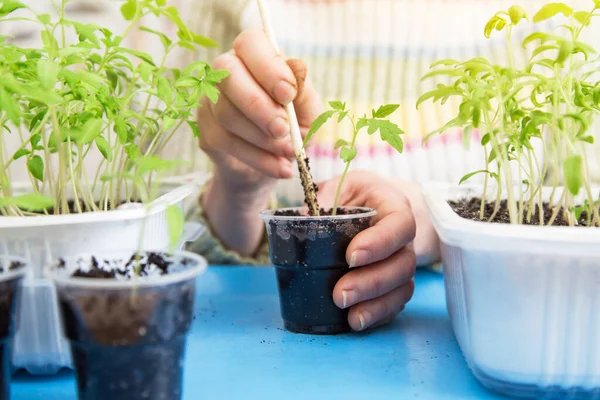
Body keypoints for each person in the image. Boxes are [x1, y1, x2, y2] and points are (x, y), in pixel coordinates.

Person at [162, 0, 565, 331]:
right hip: (242, 328)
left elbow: (578, 219)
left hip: (492, 323)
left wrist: (436, 221)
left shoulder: (551, 20)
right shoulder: (220, 8)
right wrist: (239, 190)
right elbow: (155, 225)